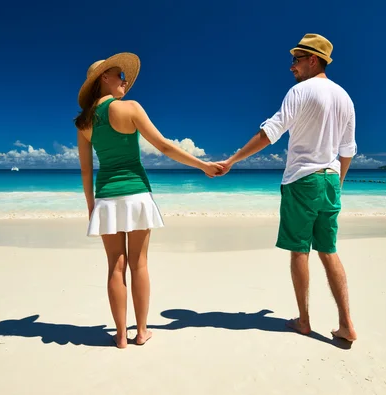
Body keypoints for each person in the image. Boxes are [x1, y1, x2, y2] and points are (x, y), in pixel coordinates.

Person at [75, 53, 223, 348]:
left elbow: (86, 169)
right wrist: (203, 165)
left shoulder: (84, 123)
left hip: (106, 197)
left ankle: (120, 336)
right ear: (104, 78)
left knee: (115, 266)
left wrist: (92, 206)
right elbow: (165, 146)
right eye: (120, 76)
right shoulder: (130, 108)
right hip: (137, 195)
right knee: (138, 264)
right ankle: (141, 331)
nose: (125, 81)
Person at [217, 34, 358, 342]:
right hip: (330, 179)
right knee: (329, 251)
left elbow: (271, 132)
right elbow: (347, 150)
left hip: (302, 180)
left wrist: (233, 160)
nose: (291, 66)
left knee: (299, 252)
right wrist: (338, 183)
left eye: (296, 59)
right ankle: (346, 323)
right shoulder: (345, 98)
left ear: (313, 59)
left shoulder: (300, 91)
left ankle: (304, 321)